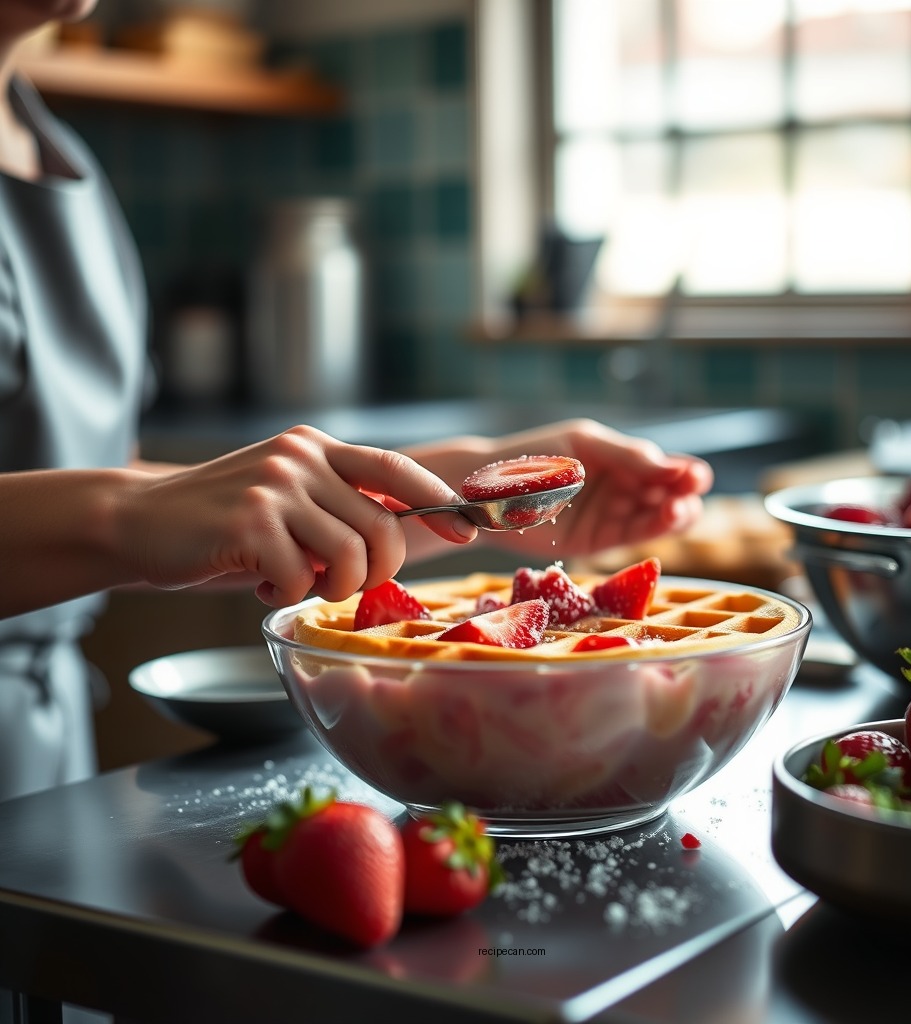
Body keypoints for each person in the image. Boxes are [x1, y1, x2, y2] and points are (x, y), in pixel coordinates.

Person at [0, 0, 713, 803]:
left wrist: (456, 484)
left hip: (40, 759)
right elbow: (120, 514)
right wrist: (124, 514)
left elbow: (113, 502)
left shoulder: (62, 161)